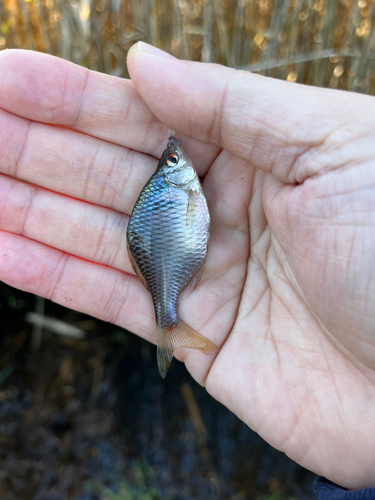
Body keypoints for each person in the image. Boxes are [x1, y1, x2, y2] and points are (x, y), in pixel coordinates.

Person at [0, 43, 374, 498]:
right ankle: (168, 323)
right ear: (175, 174)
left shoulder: (180, 188)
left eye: (171, 160)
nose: (177, 159)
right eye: (173, 161)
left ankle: (168, 323)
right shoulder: (180, 188)